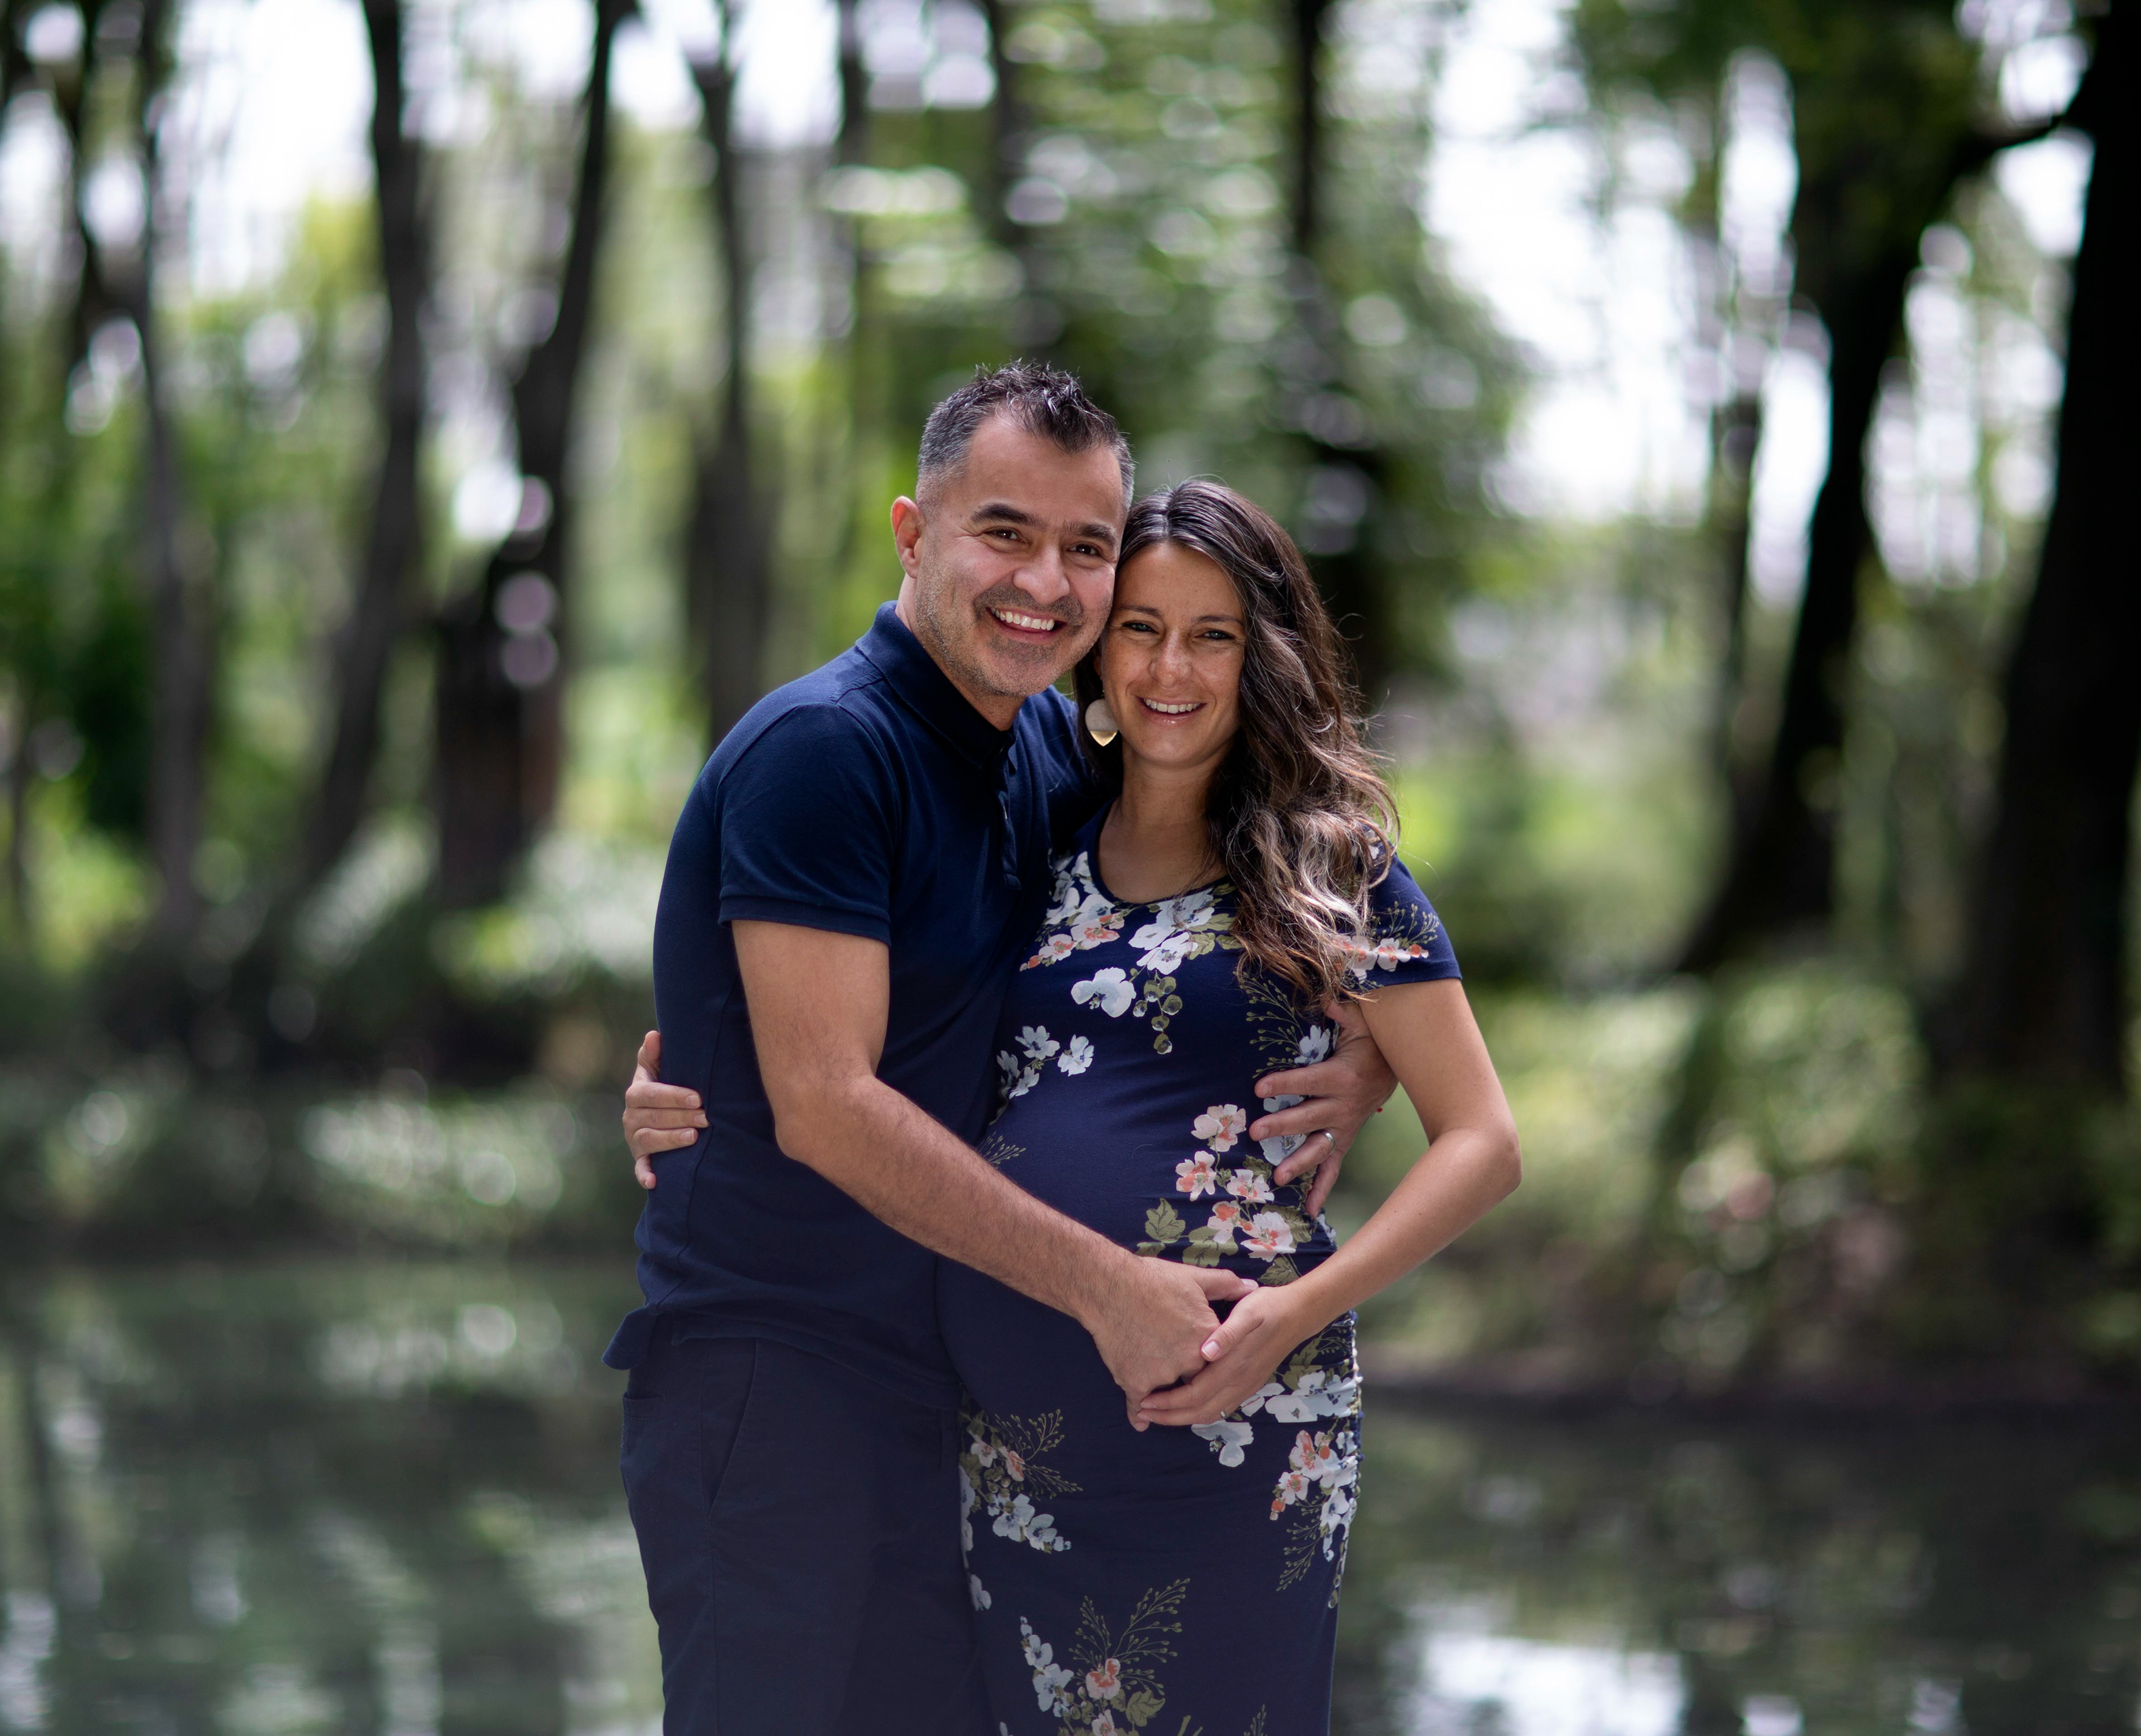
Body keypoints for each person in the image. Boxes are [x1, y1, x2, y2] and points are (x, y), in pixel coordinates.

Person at [629, 478, 1523, 1734]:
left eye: (1213, 635)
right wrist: (697, 1085)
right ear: (1098, 649)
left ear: (1261, 658)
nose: (1171, 667)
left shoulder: (1332, 868)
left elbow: (1483, 1137)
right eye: (1142, 628)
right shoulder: (1050, 821)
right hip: (1011, 1446)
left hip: (1238, 1413)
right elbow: (883, 1018)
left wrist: (1305, 1286)